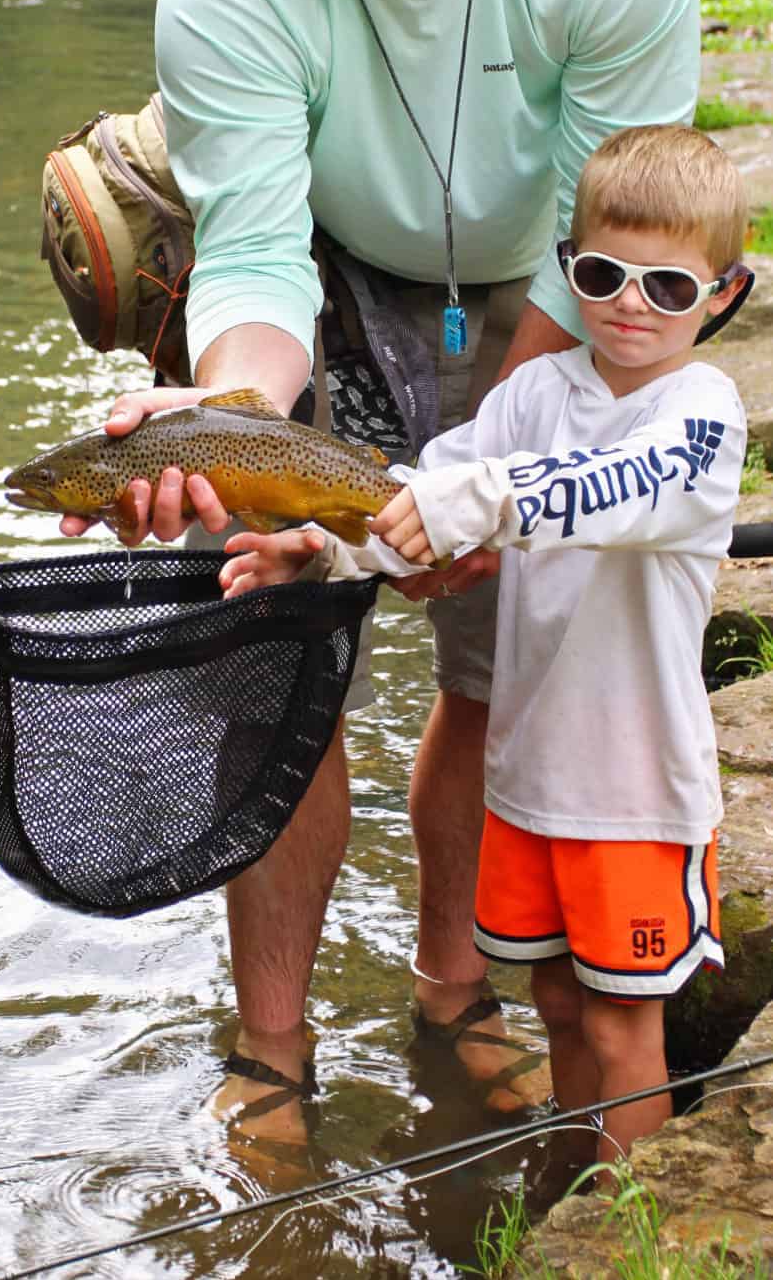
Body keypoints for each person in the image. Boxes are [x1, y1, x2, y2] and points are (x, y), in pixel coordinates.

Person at [61, 0, 702, 1124]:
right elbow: (259, 253)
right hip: (327, 278)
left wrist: (478, 486)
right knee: (278, 657)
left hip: (550, 292)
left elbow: (591, 225)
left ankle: (446, 988)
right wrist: (219, 433)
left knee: (497, 667)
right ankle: (269, 1056)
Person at [219, 123, 752, 1168]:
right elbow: (418, 492)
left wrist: (482, 497)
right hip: (525, 781)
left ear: (723, 296)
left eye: (669, 288)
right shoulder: (531, 397)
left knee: (619, 1024)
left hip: (634, 794)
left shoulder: (700, 414)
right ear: (567, 269)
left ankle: (625, 1210)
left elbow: (606, 492)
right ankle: (567, 1186)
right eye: (603, 273)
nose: (631, 303)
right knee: (554, 998)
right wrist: (321, 550)